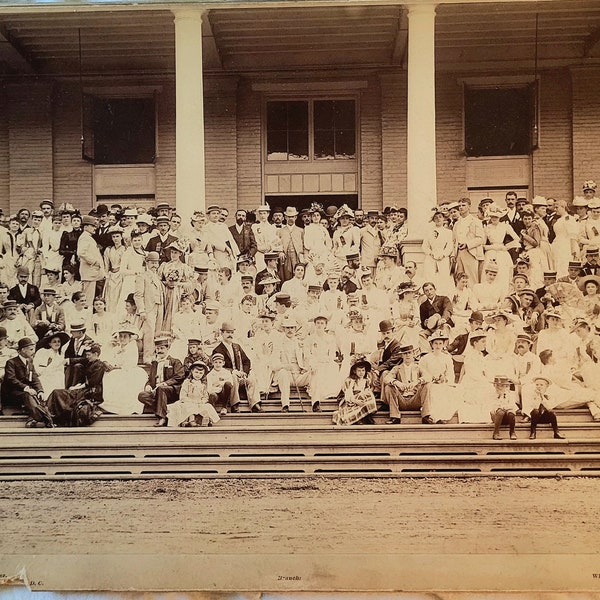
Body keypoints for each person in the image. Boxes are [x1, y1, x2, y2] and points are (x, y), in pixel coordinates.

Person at [45, 343, 107, 427]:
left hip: (92, 393)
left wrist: (75, 387)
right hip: (85, 389)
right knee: (56, 393)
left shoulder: (99, 366)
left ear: (96, 354)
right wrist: (76, 387)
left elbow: (92, 383)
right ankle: (49, 415)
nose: (87, 357)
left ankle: (49, 416)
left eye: (89, 355)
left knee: (57, 393)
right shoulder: (91, 363)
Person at [2, 337, 54, 427]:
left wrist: (40, 391)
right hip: (11, 393)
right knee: (28, 395)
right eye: (31, 349)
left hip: (24, 393)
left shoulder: (30, 364)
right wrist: (26, 388)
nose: (33, 352)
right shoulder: (11, 362)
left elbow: (35, 379)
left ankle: (35, 418)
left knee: (39, 396)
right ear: (23, 350)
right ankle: (44, 418)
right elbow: (11, 379)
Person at [212, 322, 261, 412]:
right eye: (227, 332)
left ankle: (254, 404)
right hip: (227, 377)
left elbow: (247, 361)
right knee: (233, 377)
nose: (230, 335)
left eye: (231, 332)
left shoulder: (237, 346)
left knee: (252, 380)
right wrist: (232, 371)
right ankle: (234, 404)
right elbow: (218, 367)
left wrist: (244, 373)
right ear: (222, 333)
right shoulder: (218, 349)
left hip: (240, 375)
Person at [137, 335, 185, 426]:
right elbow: (150, 379)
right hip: (157, 392)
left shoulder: (175, 361)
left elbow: (180, 376)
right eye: (158, 348)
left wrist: (165, 383)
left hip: (171, 390)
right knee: (142, 395)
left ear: (168, 348)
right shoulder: (154, 364)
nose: (159, 351)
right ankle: (166, 410)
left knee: (161, 389)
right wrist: (148, 385)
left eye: (162, 348)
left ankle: (162, 417)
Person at [101, 326, 148, 415]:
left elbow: (130, 364)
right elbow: (110, 358)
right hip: (118, 369)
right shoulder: (116, 348)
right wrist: (109, 364)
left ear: (129, 338)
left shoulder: (132, 347)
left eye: (125, 336)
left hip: (128, 370)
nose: (122, 338)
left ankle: (124, 406)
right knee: (108, 375)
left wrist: (115, 367)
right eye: (120, 336)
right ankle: (113, 404)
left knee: (121, 377)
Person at [419, 330, 460, 424]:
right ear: (432, 344)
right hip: (430, 384)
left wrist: (444, 378)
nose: (438, 346)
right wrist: (432, 378)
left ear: (443, 344)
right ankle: (434, 417)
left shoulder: (447, 358)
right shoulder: (425, 358)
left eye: (440, 343)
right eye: (436, 343)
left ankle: (441, 416)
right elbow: (422, 372)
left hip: (443, 383)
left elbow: (450, 373)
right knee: (434, 392)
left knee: (449, 392)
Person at [381, 344, 428, 424]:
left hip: (415, 400)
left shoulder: (418, 367)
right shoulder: (397, 368)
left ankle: (426, 416)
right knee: (388, 387)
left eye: (409, 353)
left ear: (413, 354)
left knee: (427, 385)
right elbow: (386, 378)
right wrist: (397, 383)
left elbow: (428, 377)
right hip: (401, 400)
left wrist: (416, 382)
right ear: (402, 355)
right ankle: (395, 417)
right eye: (405, 353)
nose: (408, 355)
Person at [272, 316, 310, 412]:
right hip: (286, 375)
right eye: (287, 328)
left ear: (295, 329)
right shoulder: (279, 343)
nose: (290, 330)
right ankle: (285, 405)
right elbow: (273, 364)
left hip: (299, 375)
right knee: (283, 373)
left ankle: (316, 403)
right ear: (284, 329)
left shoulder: (301, 343)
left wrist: (306, 367)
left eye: (292, 327)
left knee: (314, 372)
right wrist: (284, 366)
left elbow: (307, 358)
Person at [167, 361, 220, 427]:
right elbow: (183, 396)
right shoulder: (187, 382)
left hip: (199, 403)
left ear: (203, 374)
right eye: (196, 372)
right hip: (188, 401)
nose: (198, 375)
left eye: (200, 373)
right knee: (188, 406)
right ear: (192, 371)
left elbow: (205, 397)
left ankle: (203, 421)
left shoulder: (203, 385)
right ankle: (190, 420)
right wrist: (191, 401)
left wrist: (201, 401)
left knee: (207, 406)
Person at [134, 252, 164, 364]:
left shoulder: (157, 277)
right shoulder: (142, 276)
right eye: (152, 263)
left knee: (157, 332)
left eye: (156, 263)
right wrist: (141, 310)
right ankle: (147, 357)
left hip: (158, 307)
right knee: (149, 333)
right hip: (148, 308)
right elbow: (138, 295)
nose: (154, 265)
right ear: (147, 263)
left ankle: (154, 355)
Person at [332, 357, 378, 426]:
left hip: (361, 398)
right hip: (351, 400)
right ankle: (358, 418)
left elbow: (367, 391)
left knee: (369, 394)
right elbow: (348, 395)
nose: (361, 373)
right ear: (354, 371)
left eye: (363, 370)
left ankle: (366, 416)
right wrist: (356, 401)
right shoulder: (350, 381)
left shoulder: (366, 380)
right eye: (359, 371)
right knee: (359, 401)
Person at [452, 197, 485, 287]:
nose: (461, 208)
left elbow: (481, 238)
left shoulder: (476, 221)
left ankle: (472, 299)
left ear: (469, 206)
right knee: (459, 278)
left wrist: (467, 244)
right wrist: (453, 254)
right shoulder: (457, 223)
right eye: (459, 206)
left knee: (471, 279)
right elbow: (454, 240)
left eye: (463, 205)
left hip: (471, 252)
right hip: (459, 253)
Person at [422, 207, 454, 295]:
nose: (438, 219)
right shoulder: (429, 231)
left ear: (444, 218)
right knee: (430, 277)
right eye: (436, 218)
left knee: (443, 279)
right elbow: (424, 246)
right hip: (431, 257)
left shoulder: (448, 232)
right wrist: (430, 253)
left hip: (443, 257)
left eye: (440, 217)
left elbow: (450, 246)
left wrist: (444, 254)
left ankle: (442, 297)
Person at [524, 375, 565, 440]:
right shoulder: (532, 395)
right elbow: (534, 406)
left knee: (552, 413)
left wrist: (542, 396)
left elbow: (549, 407)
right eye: (537, 385)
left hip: (545, 417)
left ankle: (556, 432)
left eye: (541, 385)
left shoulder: (549, 395)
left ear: (546, 386)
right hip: (535, 417)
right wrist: (538, 397)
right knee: (535, 411)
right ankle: (533, 432)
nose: (539, 386)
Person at [78, 215, 105, 307]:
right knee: (87, 300)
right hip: (89, 273)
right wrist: (94, 262)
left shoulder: (88, 237)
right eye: (92, 226)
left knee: (90, 298)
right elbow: (81, 253)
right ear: (85, 227)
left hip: (92, 274)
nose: (95, 228)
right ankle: (86, 319)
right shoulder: (85, 237)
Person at [33, 330, 68, 400]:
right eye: (54, 342)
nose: (57, 343)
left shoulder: (61, 355)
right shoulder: (43, 352)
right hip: (44, 376)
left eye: (59, 341)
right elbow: (36, 367)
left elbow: (61, 371)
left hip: (57, 378)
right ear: (50, 344)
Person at [278, 206, 305, 282]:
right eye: (288, 217)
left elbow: (304, 245)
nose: (290, 219)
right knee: (286, 276)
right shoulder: (280, 231)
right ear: (285, 217)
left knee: (298, 274)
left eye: (292, 217)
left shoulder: (301, 231)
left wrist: (303, 255)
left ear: (295, 217)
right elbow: (276, 244)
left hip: (297, 256)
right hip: (285, 257)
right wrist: (280, 252)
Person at [490, 375, 519, 440]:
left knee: (511, 412)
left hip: (507, 417)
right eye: (498, 385)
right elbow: (494, 407)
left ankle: (512, 432)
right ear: (495, 386)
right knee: (500, 411)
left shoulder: (510, 394)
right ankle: (496, 432)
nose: (500, 388)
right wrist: (500, 396)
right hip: (496, 417)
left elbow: (513, 405)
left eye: (503, 386)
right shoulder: (492, 395)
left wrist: (505, 408)